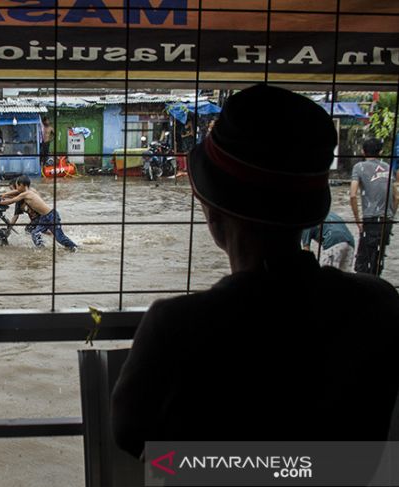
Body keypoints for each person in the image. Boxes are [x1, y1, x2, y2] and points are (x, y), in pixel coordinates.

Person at [111, 85, 399, 465]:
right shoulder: (377, 303)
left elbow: (129, 433)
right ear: (310, 211)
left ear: (212, 212)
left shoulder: (176, 325)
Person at [350, 137, 397, 276]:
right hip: (386, 221)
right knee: (377, 260)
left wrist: (358, 221)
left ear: (363, 152)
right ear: (381, 152)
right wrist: (390, 216)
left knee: (362, 263)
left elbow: (352, 195)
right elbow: (397, 197)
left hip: (371, 219)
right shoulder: (388, 167)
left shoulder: (359, 167)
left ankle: (363, 293)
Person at [0, 175, 77, 250]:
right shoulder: (30, 191)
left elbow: (12, 200)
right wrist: (2, 195)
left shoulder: (26, 194)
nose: (16, 188)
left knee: (60, 238)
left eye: (17, 186)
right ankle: (42, 249)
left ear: (21, 185)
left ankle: (75, 248)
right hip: (44, 217)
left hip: (51, 216)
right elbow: (15, 193)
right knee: (35, 233)